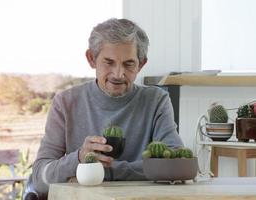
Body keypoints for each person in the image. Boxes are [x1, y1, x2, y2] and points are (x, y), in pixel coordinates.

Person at [32, 18, 183, 198]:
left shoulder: (157, 100)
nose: (118, 74)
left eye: (128, 64)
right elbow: (40, 179)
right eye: (109, 62)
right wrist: (79, 157)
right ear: (91, 59)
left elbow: (175, 165)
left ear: (141, 64)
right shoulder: (65, 102)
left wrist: (99, 172)